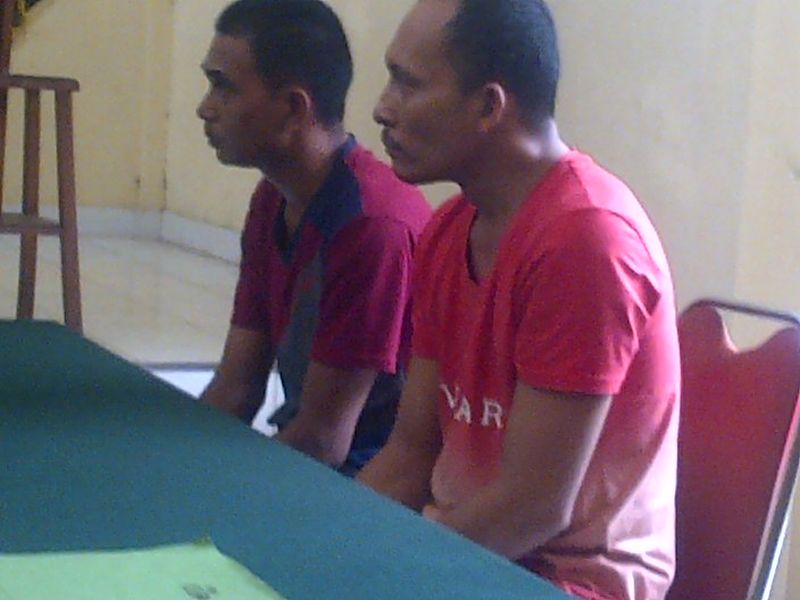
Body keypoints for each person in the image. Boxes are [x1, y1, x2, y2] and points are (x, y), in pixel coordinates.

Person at [358, 0, 680, 598]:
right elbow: (409, 455)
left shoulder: (586, 240)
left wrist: (376, 573)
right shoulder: (448, 230)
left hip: (567, 582)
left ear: (489, 106)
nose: (382, 107)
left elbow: (533, 508)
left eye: (408, 83)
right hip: (469, 552)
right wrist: (325, 539)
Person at [196, 0, 431, 475]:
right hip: (305, 453)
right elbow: (237, 388)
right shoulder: (273, 199)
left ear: (293, 108)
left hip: (367, 482)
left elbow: (324, 442)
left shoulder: (371, 227)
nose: (205, 108)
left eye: (224, 87)